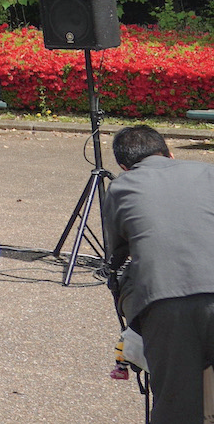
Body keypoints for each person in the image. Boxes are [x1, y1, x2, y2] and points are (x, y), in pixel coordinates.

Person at [106, 124, 214, 423]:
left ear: (125, 167)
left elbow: (116, 258)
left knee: (176, 406)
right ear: (170, 153)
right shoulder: (208, 172)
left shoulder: (120, 187)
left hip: (165, 302)